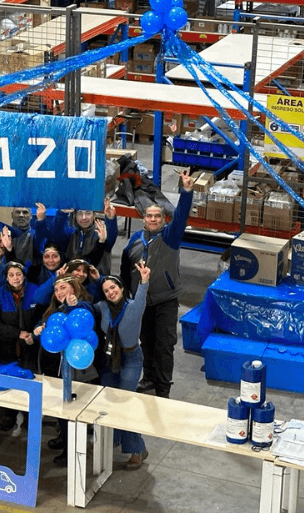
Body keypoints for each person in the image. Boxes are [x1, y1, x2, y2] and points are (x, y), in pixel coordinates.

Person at [120, 170, 194, 398]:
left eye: (157, 217)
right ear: (143, 219)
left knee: (164, 346)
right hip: (142, 301)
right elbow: (124, 270)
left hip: (165, 301)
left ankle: (163, 389)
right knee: (147, 342)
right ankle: (149, 378)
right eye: (149, 216)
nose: (153, 219)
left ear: (163, 220)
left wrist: (187, 192)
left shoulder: (170, 237)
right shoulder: (134, 241)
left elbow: (181, 216)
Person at [33, 273, 94, 466]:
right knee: (60, 407)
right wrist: (37, 332)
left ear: (74, 290)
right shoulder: (53, 310)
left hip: (74, 370)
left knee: (70, 409)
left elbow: (85, 311)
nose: (59, 292)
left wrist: (73, 304)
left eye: (64, 288)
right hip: (53, 367)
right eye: (57, 289)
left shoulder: (80, 307)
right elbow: (45, 329)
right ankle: (63, 436)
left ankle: (71, 451)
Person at [94, 265, 150, 471]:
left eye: (113, 287)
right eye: (107, 290)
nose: (111, 292)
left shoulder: (134, 306)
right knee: (109, 403)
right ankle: (114, 440)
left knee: (125, 403)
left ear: (122, 288)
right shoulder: (101, 307)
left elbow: (143, 293)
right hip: (109, 360)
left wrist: (144, 280)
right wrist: (97, 278)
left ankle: (137, 449)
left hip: (131, 358)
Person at [0, 261, 41, 432]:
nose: (15, 278)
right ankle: (9, 413)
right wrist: (17, 333)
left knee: (29, 381)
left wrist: (34, 334)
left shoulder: (34, 291)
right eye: (11, 275)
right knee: (7, 379)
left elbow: (43, 315)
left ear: (24, 275)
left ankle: (28, 416)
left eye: (18, 274)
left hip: (30, 346)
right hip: (6, 346)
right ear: (6, 277)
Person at [48, 197, 118, 275]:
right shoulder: (71, 233)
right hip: (73, 279)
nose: (84, 218)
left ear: (94, 215)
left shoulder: (101, 232)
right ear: (75, 216)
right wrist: (61, 214)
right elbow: (56, 235)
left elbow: (111, 239)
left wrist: (110, 218)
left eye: (88, 213)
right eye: (80, 213)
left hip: (97, 280)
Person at [0, 202, 49, 268]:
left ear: (30, 216)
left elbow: (41, 237)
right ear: (12, 215)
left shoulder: (33, 236)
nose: (21, 215)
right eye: (17, 212)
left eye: (25, 212)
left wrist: (41, 220)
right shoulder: (1, 234)